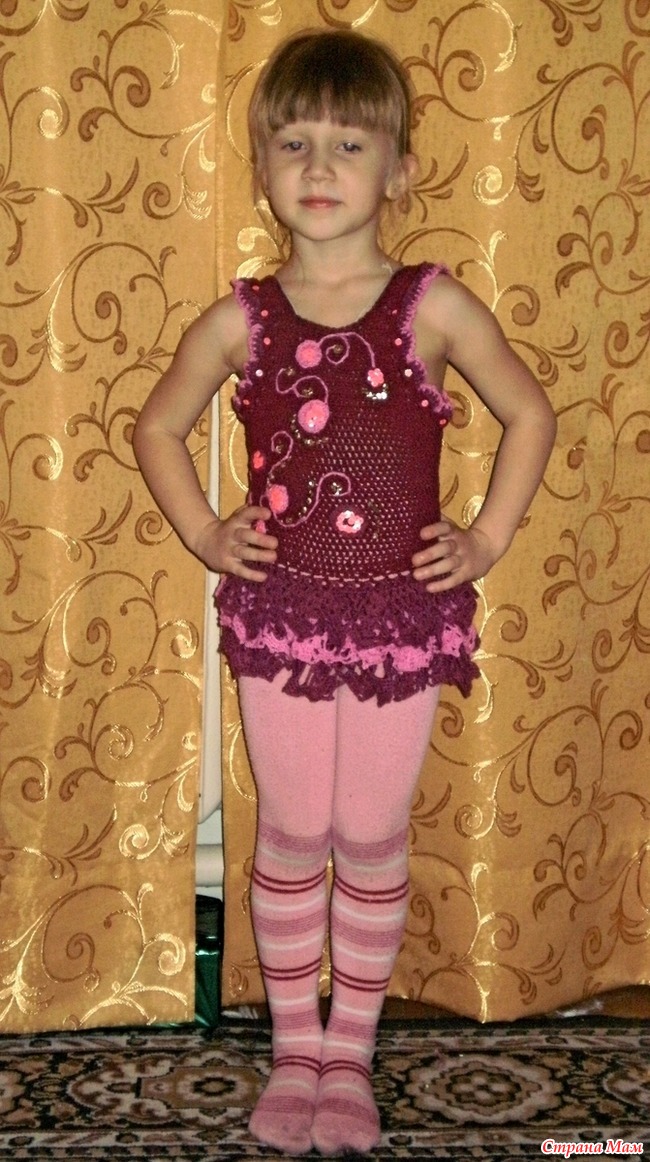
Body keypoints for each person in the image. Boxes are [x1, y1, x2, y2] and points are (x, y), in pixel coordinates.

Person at [133, 27, 557, 1158]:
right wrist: (205, 531)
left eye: (349, 144)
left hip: (397, 625)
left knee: (367, 836)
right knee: (291, 832)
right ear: (262, 168)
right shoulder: (242, 318)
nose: (318, 167)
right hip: (281, 620)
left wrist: (485, 538)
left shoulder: (431, 305)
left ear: (399, 171)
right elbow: (157, 427)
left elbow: (530, 412)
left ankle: (350, 1054)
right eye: (293, 144)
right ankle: (295, 1053)